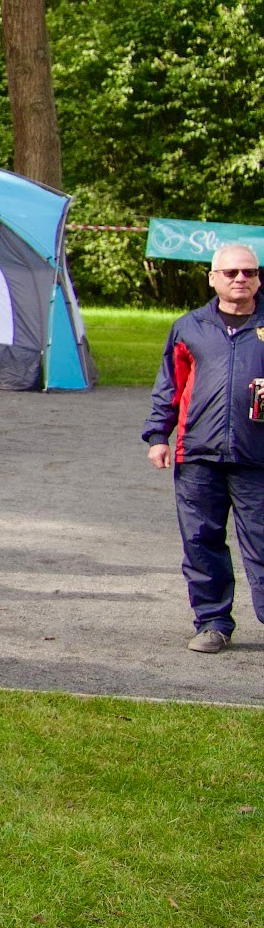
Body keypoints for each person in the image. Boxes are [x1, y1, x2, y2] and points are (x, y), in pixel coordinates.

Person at [143, 243, 264, 654]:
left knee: (262, 542)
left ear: (258, 277)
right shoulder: (188, 326)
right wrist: (159, 435)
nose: (240, 279)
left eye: (248, 272)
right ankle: (212, 622)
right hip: (198, 456)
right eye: (230, 273)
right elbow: (169, 385)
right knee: (201, 540)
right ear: (213, 279)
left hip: (257, 458)